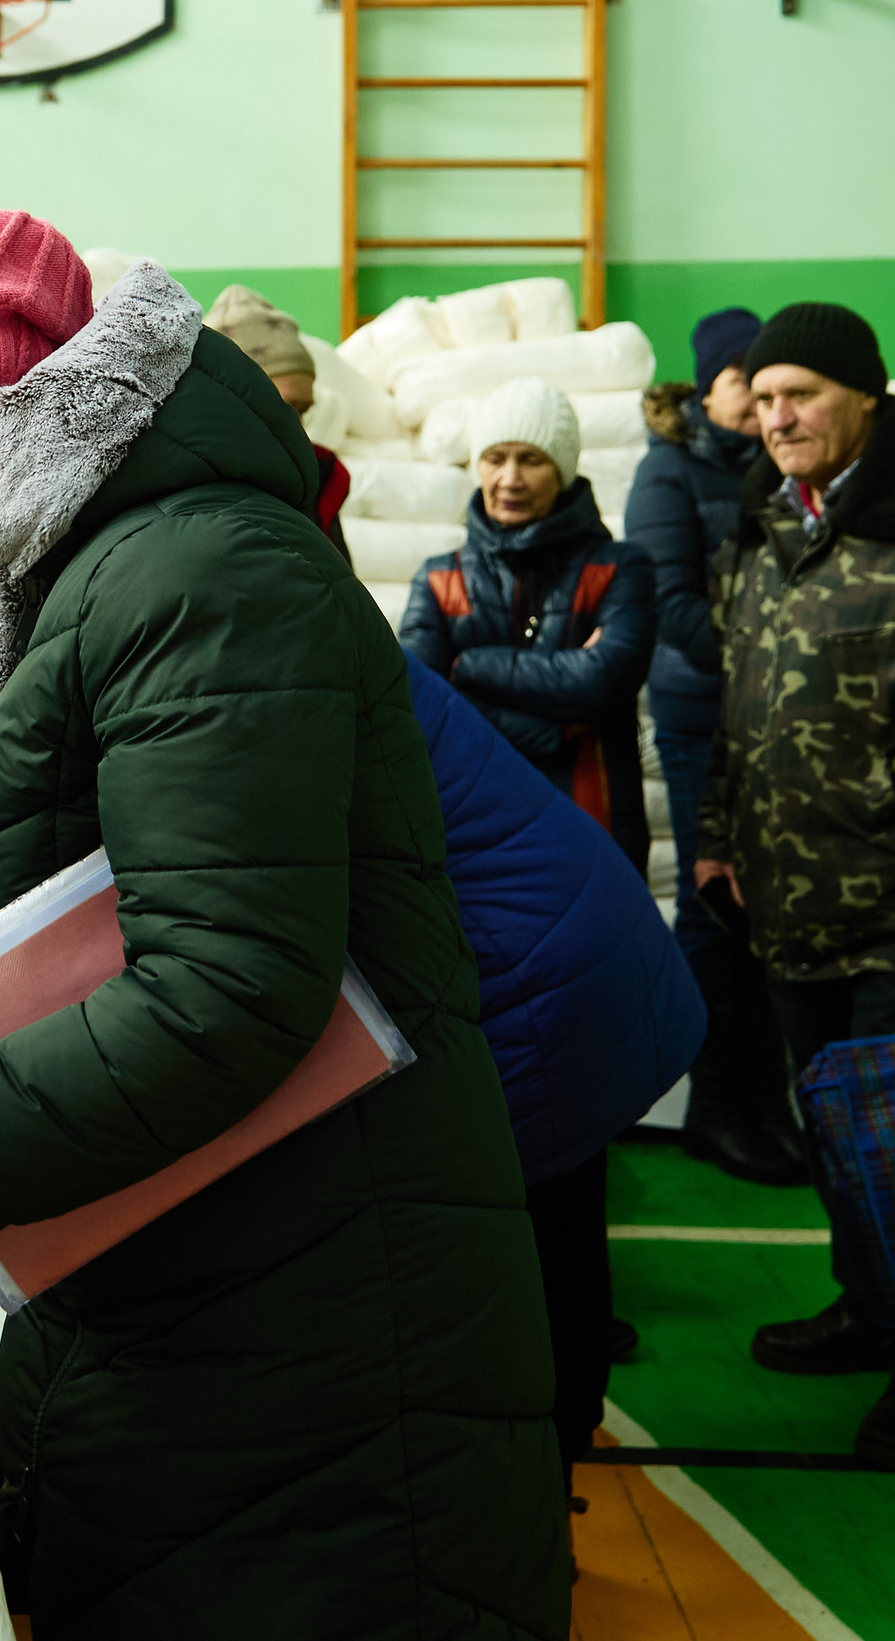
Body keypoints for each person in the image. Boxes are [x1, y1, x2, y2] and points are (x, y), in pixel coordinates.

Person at [0, 210, 567, 1639]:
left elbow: (223, 987)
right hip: (181, 1277)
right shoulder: (41, 592)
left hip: (313, 1318)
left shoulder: (203, 575)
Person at [407, 651, 701, 1488]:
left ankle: (543, 1470)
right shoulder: (319, 633)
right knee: (556, 1226)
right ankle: (555, 1445)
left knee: (529, 1241)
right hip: (567, 936)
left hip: (539, 975)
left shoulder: (266, 670)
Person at [694, 302, 895, 1455]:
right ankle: (870, 1312)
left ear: (864, 395)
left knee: (892, 1151)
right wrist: (717, 832)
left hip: (886, 908)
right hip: (785, 897)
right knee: (834, 1139)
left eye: (800, 395)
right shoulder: (765, 527)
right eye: (763, 398)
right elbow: (740, 701)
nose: (775, 418)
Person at [627, 309, 799, 1184]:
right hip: (703, 713)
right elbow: (672, 605)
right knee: (712, 907)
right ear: (708, 386)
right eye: (743, 380)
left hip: (775, 718)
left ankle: (766, 1102)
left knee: (769, 910)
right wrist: (778, 657)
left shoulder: (778, 469)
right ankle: (715, 1106)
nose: (761, 401)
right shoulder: (668, 469)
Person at [400, 379, 657, 873]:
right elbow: (420, 707)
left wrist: (470, 666)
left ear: (562, 470)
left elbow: (603, 684)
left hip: (593, 821)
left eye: (532, 460)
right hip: (473, 826)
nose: (510, 479)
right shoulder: (440, 579)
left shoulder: (620, 569)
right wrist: (558, 726)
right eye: (495, 458)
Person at [203, 283, 350, 558]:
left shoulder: (319, 477)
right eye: (283, 410)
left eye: (303, 411)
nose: (299, 431)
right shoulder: (191, 496)